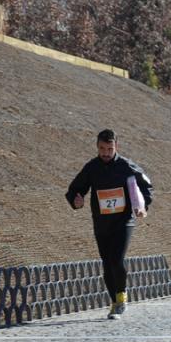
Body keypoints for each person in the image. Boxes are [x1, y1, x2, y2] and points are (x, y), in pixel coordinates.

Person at [66, 129, 153, 319]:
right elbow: (75, 189)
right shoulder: (92, 168)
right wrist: (76, 200)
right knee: (107, 263)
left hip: (124, 221)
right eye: (102, 148)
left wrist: (143, 206)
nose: (106, 153)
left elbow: (146, 185)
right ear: (97, 147)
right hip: (101, 223)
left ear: (116, 147)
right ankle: (114, 302)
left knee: (117, 259)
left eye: (109, 148)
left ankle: (121, 299)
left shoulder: (126, 166)